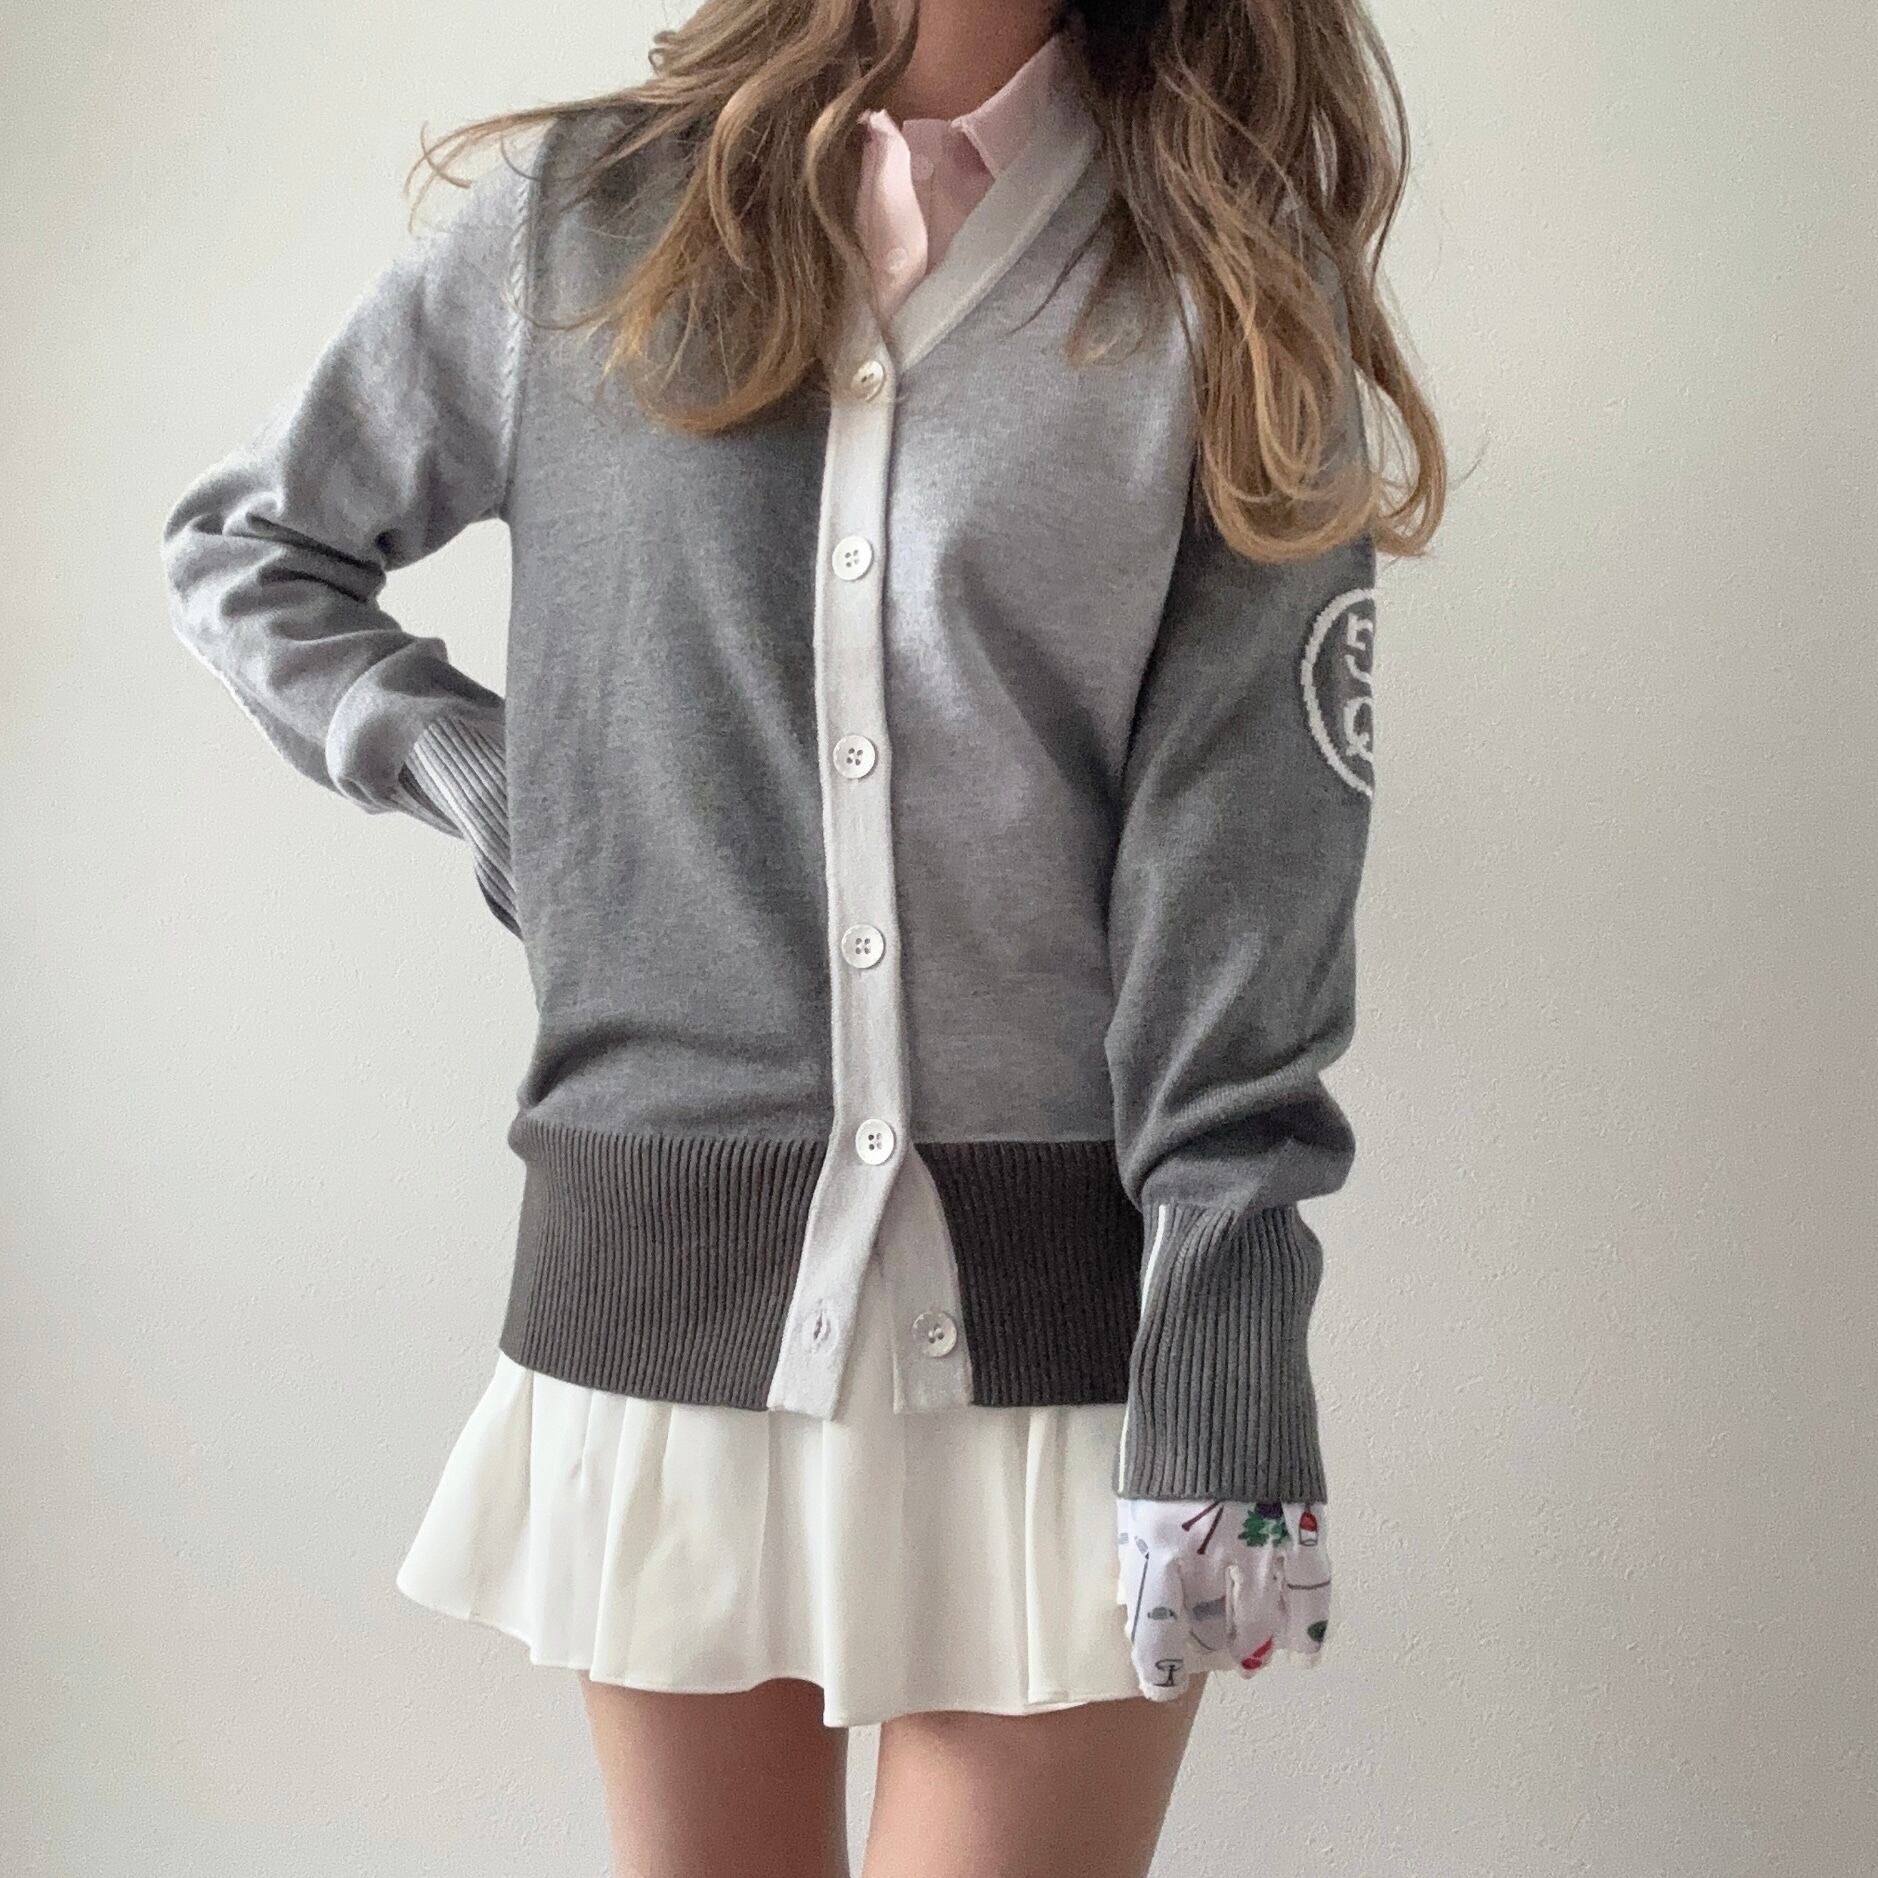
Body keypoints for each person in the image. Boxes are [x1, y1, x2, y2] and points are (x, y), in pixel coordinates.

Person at [160, 0, 1443, 1869]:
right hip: (659, 1283)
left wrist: (1227, 1346)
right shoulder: (583, 222)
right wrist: (505, 788)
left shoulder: (1220, 278)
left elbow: (1248, 866)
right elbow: (251, 549)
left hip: (1073, 1344)